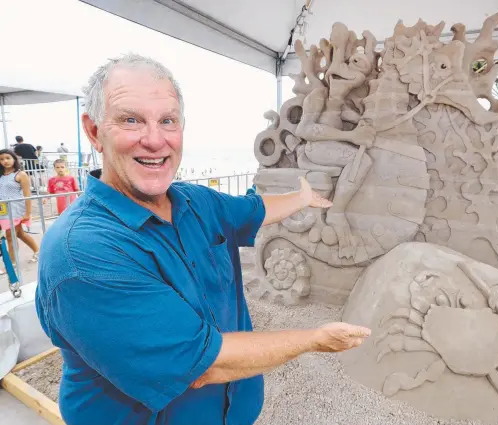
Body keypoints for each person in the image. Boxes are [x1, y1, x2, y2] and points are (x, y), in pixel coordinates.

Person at [35, 54, 371, 425]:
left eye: (167, 121)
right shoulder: (82, 253)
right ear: (95, 131)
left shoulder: (196, 201)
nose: (154, 140)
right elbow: (202, 365)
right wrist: (316, 339)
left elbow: (255, 209)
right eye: (131, 120)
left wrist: (302, 199)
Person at [0, 149, 40, 273]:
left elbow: (27, 195)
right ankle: (38, 251)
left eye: (8, 158)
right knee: (19, 234)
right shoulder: (1, 174)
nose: (5, 161)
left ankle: (12, 263)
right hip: (3, 210)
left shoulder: (20, 174)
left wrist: (27, 213)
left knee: (10, 236)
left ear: (14, 159)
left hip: (16, 210)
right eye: (1, 159)